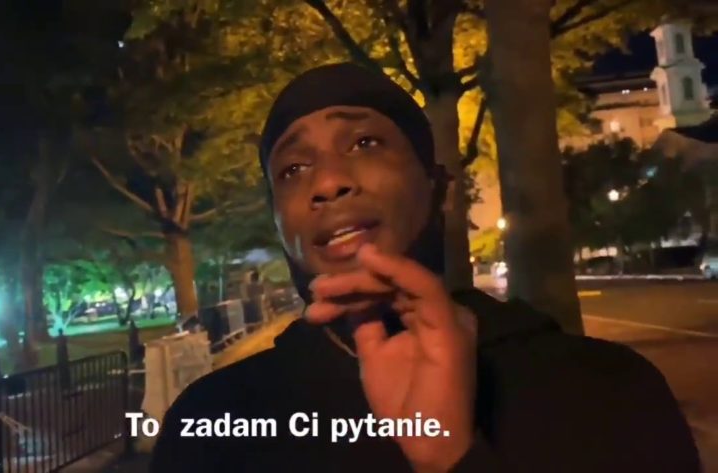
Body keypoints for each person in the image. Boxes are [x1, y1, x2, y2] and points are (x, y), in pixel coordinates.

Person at [149, 63, 701, 472]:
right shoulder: (212, 424)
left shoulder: (604, 392)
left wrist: (451, 460)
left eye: (364, 142)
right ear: (278, 223)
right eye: (293, 169)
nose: (328, 182)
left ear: (440, 191)